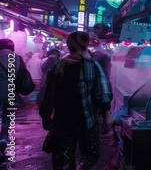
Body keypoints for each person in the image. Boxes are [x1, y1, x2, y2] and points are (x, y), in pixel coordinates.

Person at [39, 31, 113, 170]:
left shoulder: (58, 66)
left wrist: (45, 115)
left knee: (63, 159)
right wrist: (106, 114)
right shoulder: (93, 65)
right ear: (85, 46)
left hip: (63, 120)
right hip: (87, 120)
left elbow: (49, 94)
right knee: (91, 155)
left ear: (67, 45)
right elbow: (102, 91)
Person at [0, 38, 34, 159]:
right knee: (7, 115)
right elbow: (22, 75)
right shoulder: (18, 58)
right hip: (10, 91)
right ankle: (3, 139)